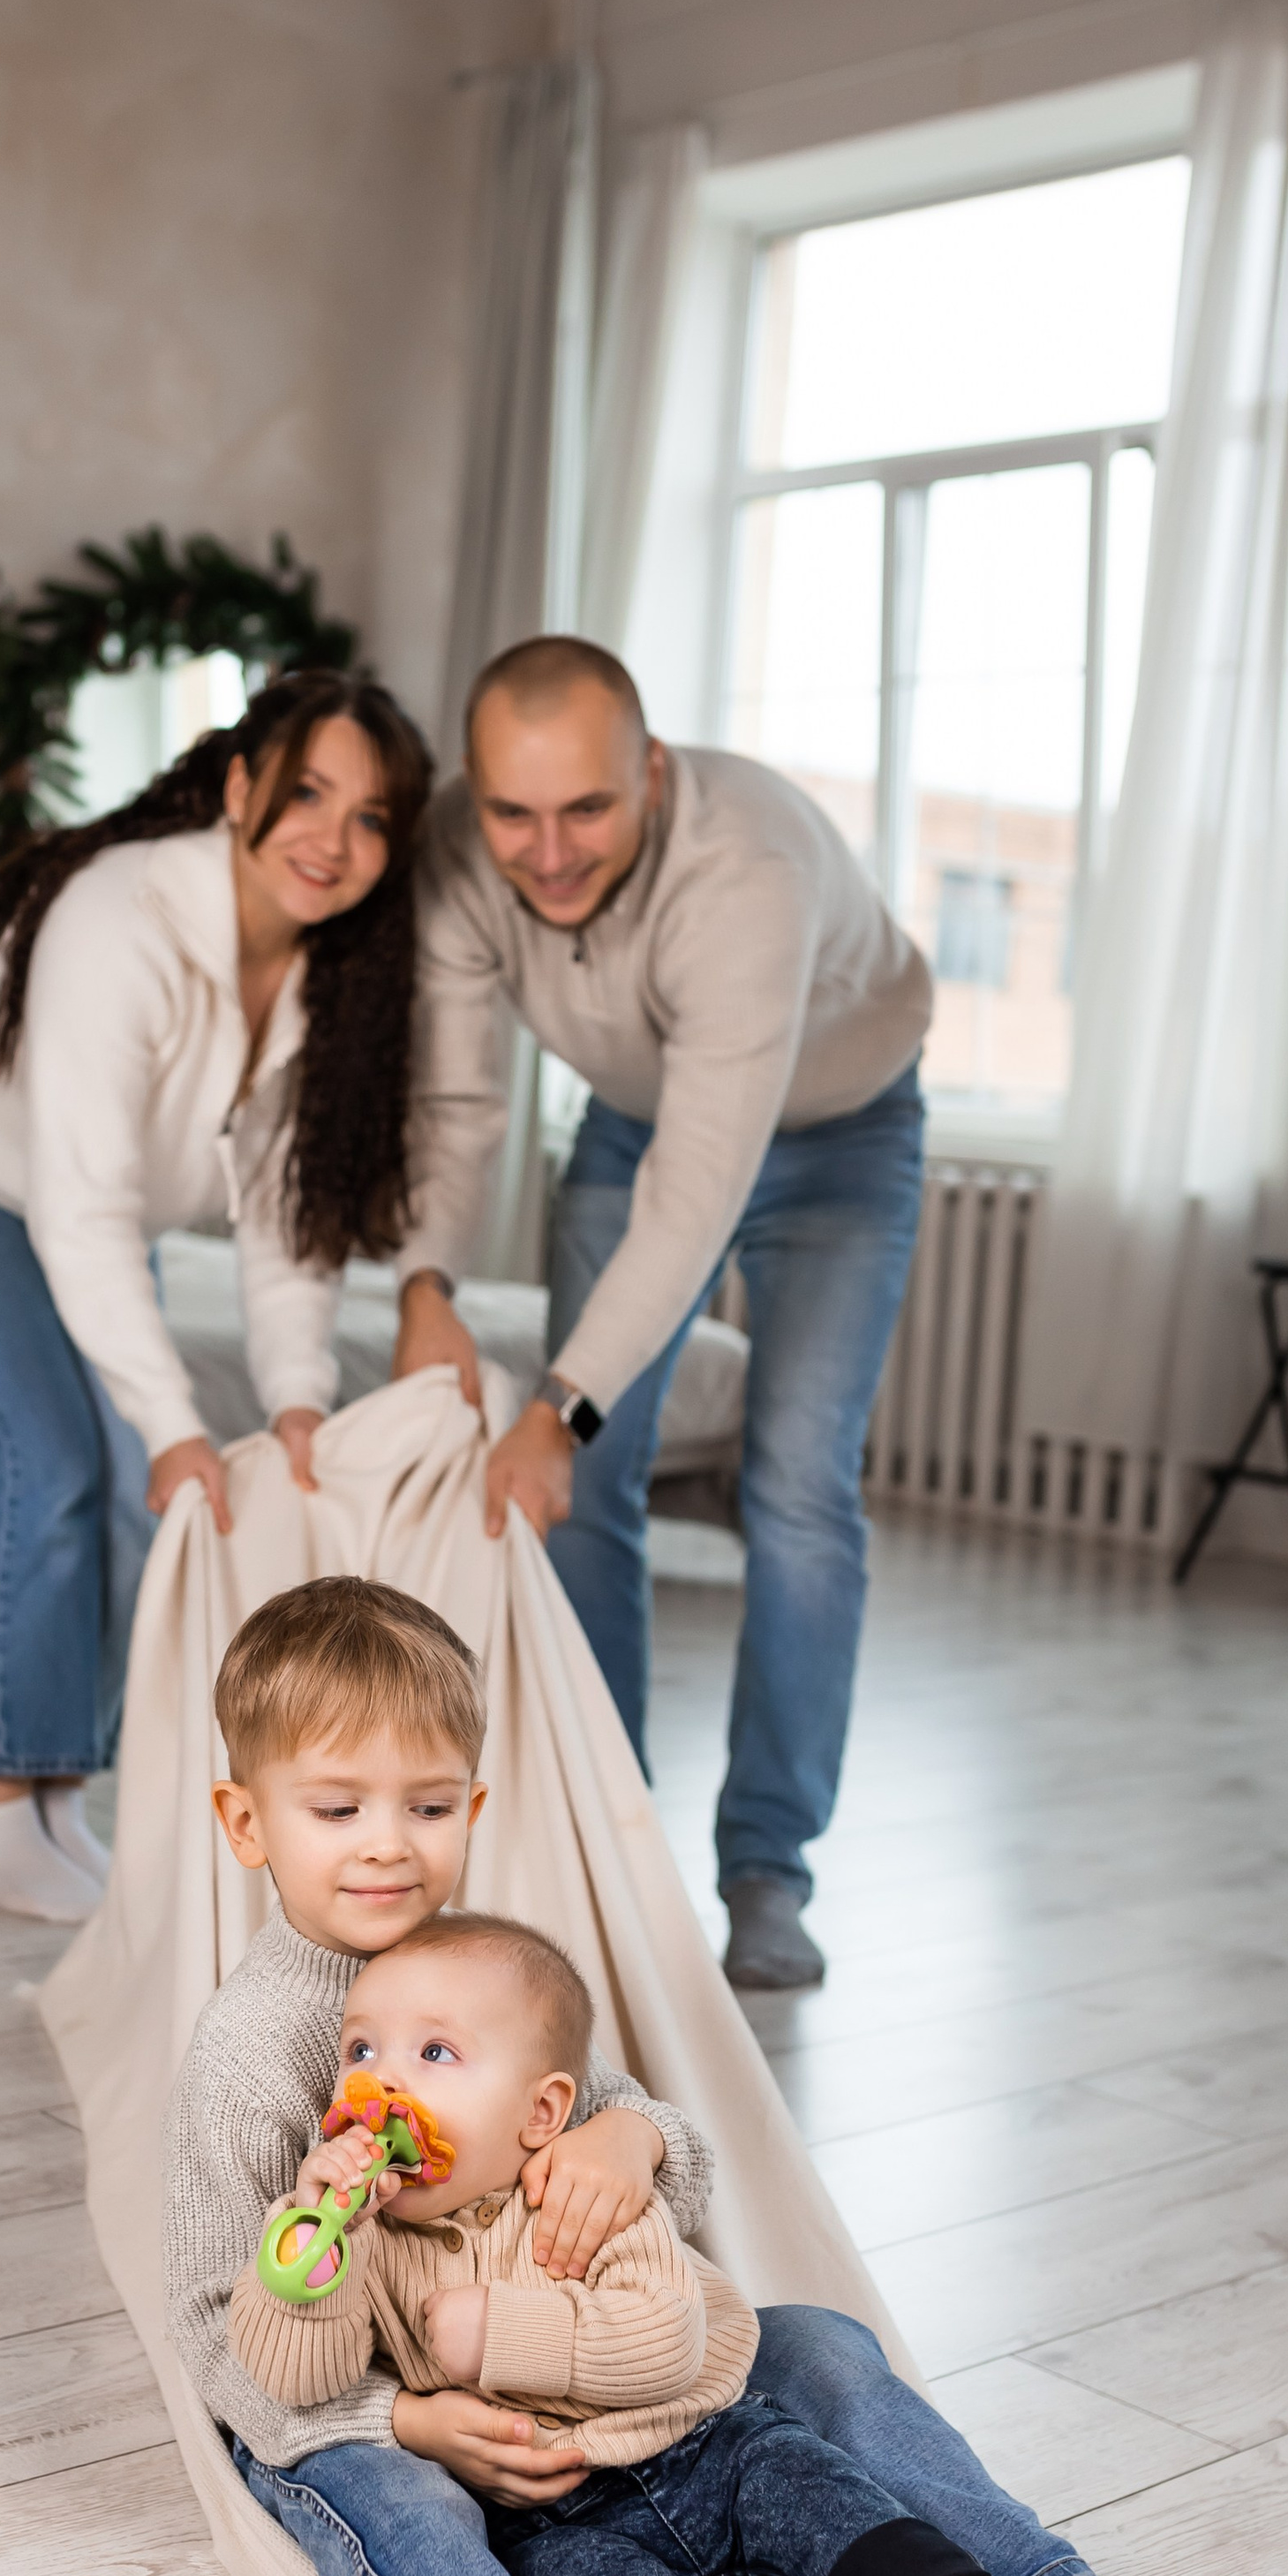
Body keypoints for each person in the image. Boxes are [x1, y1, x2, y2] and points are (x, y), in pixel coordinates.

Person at [162, 1579, 1286, 2576]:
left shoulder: (485, 1960)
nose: (387, 1848)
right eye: (337, 1809)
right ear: (248, 1822)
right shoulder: (250, 2055)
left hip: (583, 2368)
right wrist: (409, 2423)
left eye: (429, 1805)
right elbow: (217, 2329)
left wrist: (626, 2143)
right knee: (397, 2510)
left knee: (815, 2344)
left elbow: (642, 2130)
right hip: (373, 2405)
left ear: (473, 1804)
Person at [0, 669, 432, 1920]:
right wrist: (173, 1419)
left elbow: (286, 1222)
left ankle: (57, 1803)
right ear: (241, 785)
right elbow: (79, 1205)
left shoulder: (328, 982)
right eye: (307, 794)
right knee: (44, 1459)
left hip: (83, 1199)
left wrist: (296, 1394)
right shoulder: (119, 918)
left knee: (153, 1504)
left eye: (371, 819)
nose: (334, 841)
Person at [390, 635, 932, 1991]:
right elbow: (459, 1103)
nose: (549, 850)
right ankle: (611, 1851)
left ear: (654, 773)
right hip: (634, 1123)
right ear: (475, 792)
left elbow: (694, 1203)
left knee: (797, 1486)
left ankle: (767, 1868)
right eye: (514, 811)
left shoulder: (744, 872)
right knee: (583, 1490)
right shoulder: (462, 857)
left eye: (588, 808)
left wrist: (557, 1405)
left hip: (843, 1140)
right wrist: (424, 1286)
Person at [232, 1910, 1001, 2576]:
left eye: (433, 2053)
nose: (379, 2081)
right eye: (360, 2051)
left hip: (704, 2453)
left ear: (541, 2114)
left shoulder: (581, 2190)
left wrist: (497, 2334)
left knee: (805, 2484)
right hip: (554, 2520)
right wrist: (314, 2238)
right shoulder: (366, 2245)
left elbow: (663, 2343)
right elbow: (296, 2376)